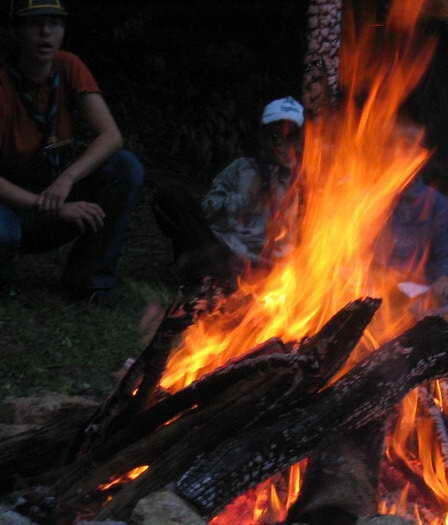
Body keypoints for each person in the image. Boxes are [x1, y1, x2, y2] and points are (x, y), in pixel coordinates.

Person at [0, 0, 143, 302]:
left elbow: (111, 136)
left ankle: (90, 282)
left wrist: (67, 178)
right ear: (16, 32)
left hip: (52, 188)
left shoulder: (68, 65)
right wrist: (49, 205)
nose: (45, 32)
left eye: (54, 23)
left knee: (124, 166)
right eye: (35, 24)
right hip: (11, 203)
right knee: (3, 234)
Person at [153, 96, 305, 284]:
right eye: (275, 135)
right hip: (222, 252)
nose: (281, 144)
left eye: (291, 136)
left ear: (300, 141)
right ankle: (202, 271)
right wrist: (243, 200)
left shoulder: (305, 182)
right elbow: (206, 211)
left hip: (266, 268)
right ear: (264, 137)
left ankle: (206, 276)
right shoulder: (241, 169)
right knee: (171, 195)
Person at [374, 174, 448, 319]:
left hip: (427, 288)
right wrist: (394, 287)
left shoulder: (437, 203)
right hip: (390, 290)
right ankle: (424, 315)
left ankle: (430, 315)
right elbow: (369, 261)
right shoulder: (377, 201)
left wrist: (445, 277)